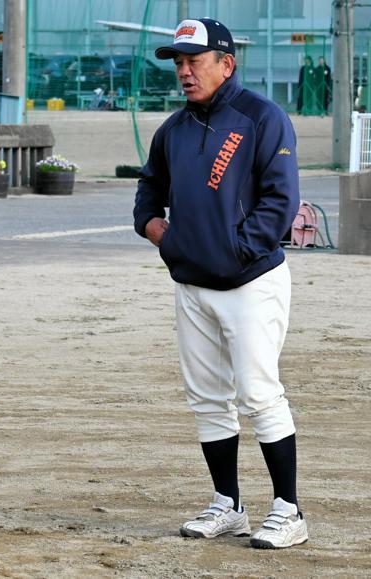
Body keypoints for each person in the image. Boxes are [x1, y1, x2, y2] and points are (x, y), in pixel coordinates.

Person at [133, 18, 308, 550]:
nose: (184, 71)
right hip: (192, 286)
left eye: (195, 60)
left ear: (226, 63)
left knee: (259, 394)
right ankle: (228, 505)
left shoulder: (262, 117)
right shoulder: (173, 129)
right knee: (208, 399)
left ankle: (289, 510)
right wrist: (162, 234)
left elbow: (280, 203)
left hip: (251, 284)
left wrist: (230, 252)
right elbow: (147, 194)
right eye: (178, 62)